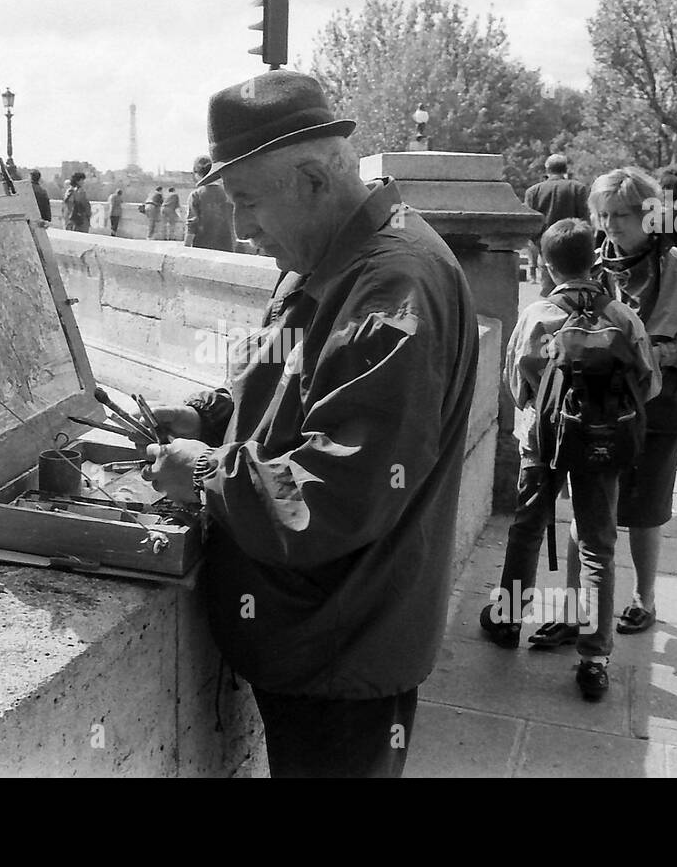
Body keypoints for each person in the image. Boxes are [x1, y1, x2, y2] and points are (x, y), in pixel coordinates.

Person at [138, 70, 478, 777]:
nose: (241, 228)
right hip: (322, 633)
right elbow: (293, 372)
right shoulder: (334, 251)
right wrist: (209, 412)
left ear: (315, 181)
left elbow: (335, 492)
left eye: (247, 201)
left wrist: (203, 471)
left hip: (342, 650)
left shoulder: (394, 285)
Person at [480, 218, 660, 699]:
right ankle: (595, 657)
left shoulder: (537, 314)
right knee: (598, 546)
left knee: (528, 528)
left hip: (543, 441)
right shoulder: (622, 316)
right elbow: (650, 384)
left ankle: (508, 619)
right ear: (595, 258)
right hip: (601, 447)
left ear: (543, 262)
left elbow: (516, 387)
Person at [578, 167, 677, 635]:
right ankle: (582, 604)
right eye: (604, 215)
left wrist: (662, 352)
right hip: (595, 404)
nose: (612, 225)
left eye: (621, 214)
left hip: (660, 408)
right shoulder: (588, 266)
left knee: (646, 507)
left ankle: (644, 596)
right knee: (589, 505)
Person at [524, 154, 589, 294]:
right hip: (576, 250)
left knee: (550, 296)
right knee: (579, 294)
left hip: (548, 249)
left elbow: (530, 224)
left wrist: (540, 244)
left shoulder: (533, 192)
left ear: (547, 169)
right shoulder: (579, 188)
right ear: (566, 169)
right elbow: (586, 220)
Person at [184, 156, 236, 252]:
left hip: (203, 249)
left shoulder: (196, 195)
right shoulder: (228, 193)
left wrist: (185, 249)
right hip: (227, 248)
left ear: (197, 173)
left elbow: (192, 226)